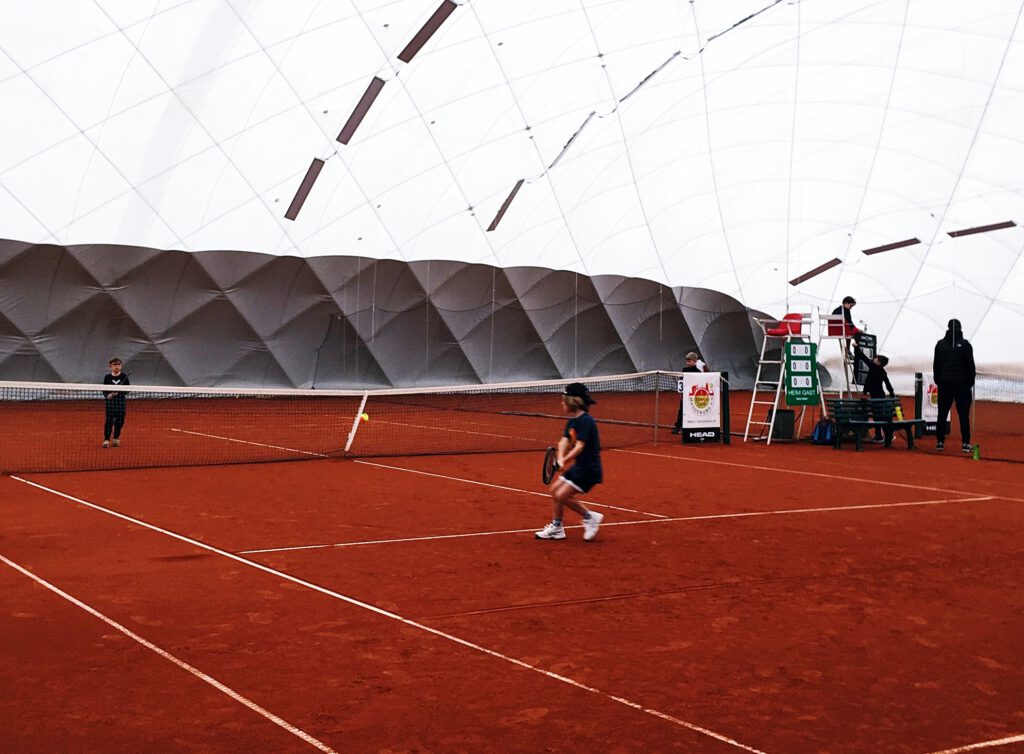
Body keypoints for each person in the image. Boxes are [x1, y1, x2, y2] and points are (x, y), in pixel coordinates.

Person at [535, 383, 604, 542]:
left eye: (564, 400)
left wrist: (564, 460)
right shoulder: (572, 422)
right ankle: (557, 528)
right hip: (579, 467)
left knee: (561, 495)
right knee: (554, 491)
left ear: (573, 401)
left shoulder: (586, 422)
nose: (562, 403)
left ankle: (590, 517)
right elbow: (563, 442)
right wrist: (559, 459)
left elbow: (579, 447)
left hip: (589, 470)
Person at [932, 319, 976, 453]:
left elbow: (936, 367)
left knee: (942, 414)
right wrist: (968, 383)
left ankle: (940, 442)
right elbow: (971, 367)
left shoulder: (940, 345)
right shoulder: (966, 345)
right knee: (963, 415)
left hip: (945, 384)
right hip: (962, 386)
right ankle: (966, 443)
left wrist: (940, 381)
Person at [853, 345, 895, 442]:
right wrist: (892, 393)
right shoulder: (882, 371)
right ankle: (885, 435)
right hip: (880, 395)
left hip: (875, 395)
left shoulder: (873, 367)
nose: (874, 358)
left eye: (876, 358)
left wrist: (857, 348)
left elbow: (863, 357)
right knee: (880, 415)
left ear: (879, 362)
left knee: (877, 416)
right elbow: (887, 383)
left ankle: (880, 436)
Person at [671, 352, 707, 434]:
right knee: (681, 410)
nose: (687, 363)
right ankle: (678, 426)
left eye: (689, 361)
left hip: (693, 396)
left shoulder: (698, 372)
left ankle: (689, 427)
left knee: (692, 411)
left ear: (695, 361)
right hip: (685, 396)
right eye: (687, 361)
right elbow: (682, 382)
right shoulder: (684, 370)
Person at [102, 357, 130, 448]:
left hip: (121, 404)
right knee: (109, 422)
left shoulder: (124, 377)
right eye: (115, 365)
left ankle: (116, 438)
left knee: (119, 422)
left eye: (118, 365)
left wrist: (120, 392)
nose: (117, 366)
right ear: (111, 366)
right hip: (110, 404)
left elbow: (127, 390)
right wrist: (109, 395)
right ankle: (106, 440)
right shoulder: (107, 378)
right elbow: (104, 391)